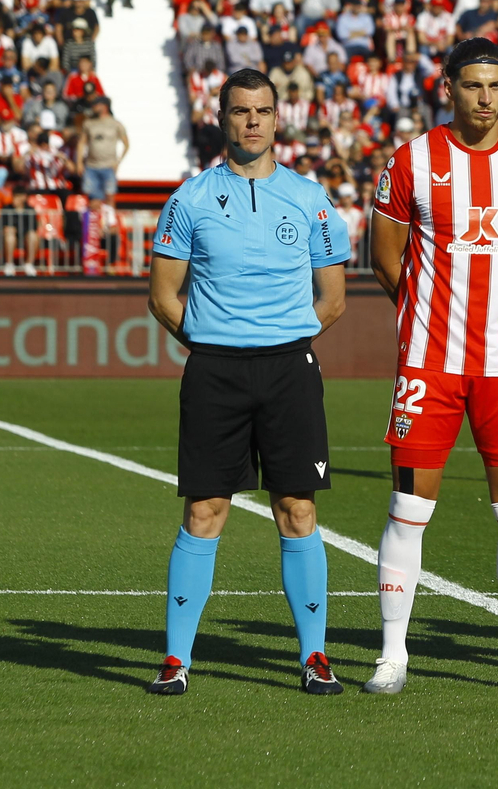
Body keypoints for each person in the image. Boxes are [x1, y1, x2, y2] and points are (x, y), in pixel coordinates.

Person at [365, 38, 498, 695]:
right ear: (447, 86)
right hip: (431, 362)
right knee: (408, 506)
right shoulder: (413, 161)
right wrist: (429, 310)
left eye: (497, 85)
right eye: (474, 85)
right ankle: (392, 655)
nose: (486, 97)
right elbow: (385, 257)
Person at [144, 68, 352, 695]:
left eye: (262, 111)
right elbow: (162, 296)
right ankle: (177, 660)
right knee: (205, 510)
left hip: (289, 369)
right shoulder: (190, 200)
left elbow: (334, 300)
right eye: (241, 111)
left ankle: (313, 657)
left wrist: (279, 338)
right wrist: (215, 340)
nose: (252, 121)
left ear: (277, 118)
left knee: (298, 509)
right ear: (222, 118)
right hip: (214, 373)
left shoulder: (311, 198)